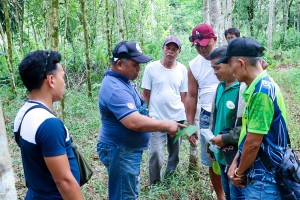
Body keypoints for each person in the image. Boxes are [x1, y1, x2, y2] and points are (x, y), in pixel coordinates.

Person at [97, 41, 185, 199]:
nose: (139, 68)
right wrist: (166, 125)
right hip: (120, 150)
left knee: (128, 191)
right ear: (119, 64)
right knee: (124, 195)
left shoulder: (124, 82)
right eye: (135, 64)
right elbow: (134, 122)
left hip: (127, 150)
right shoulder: (115, 88)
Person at [216, 37, 289, 199]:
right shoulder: (256, 88)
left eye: (230, 64)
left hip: (264, 177)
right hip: (256, 173)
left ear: (241, 63)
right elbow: (247, 134)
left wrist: (239, 172)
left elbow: (254, 142)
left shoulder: (262, 92)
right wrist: (236, 160)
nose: (230, 69)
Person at [14, 50, 83, 200]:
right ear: (51, 80)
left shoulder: (23, 114)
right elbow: (64, 182)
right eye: (63, 77)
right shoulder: (49, 124)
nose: (64, 82)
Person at [141, 36, 188, 185]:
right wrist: (142, 115)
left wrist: (187, 117)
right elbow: (146, 94)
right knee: (156, 153)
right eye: (168, 48)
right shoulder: (151, 68)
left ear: (179, 52)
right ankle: (155, 183)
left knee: (175, 153)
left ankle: (170, 176)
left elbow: (184, 95)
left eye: (174, 49)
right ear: (163, 49)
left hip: (177, 117)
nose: (170, 51)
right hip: (156, 118)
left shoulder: (182, 69)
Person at [186, 23, 224, 200]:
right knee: (212, 158)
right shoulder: (193, 65)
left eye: (205, 44)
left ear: (215, 39)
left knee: (232, 154)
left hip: (229, 115)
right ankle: (220, 195)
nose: (201, 49)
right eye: (197, 46)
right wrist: (191, 124)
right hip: (207, 116)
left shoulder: (228, 56)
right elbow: (192, 96)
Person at [208, 46, 245, 200]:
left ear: (230, 63)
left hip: (236, 156)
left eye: (217, 68)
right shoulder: (220, 86)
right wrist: (211, 147)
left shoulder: (242, 89)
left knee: (238, 194)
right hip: (222, 154)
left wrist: (225, 139)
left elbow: (245, 128)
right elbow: (215, 119)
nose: (215, 72)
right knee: (227, 193)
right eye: (212, 68)